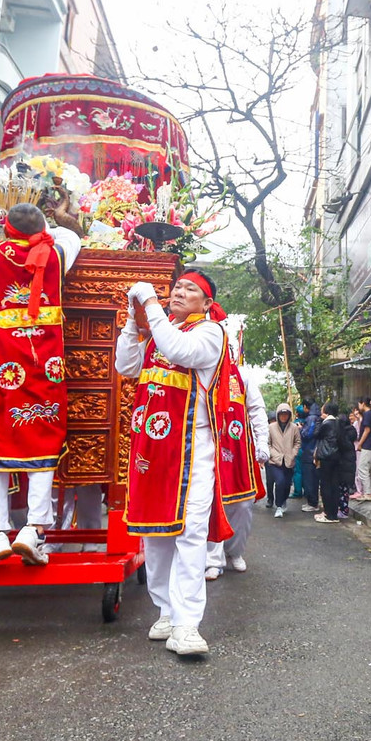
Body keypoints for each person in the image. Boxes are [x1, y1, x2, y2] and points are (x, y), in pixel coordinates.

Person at [0, 201, 81, 570]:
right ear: (44, 229)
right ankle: (33, 531)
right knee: (44, 438)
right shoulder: (58, 252)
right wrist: (62, 213)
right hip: (46, 366)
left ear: (5, 229)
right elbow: (73, 233)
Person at [117, 268, 235, 656]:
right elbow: (126, 367)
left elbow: (180, 352)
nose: (179, 292)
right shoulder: (160, 329)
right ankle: (166, 611)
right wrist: (133, 325)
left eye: (190, 289)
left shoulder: (210, 332)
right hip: (150, 448)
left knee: (189, 532)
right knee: (154, 534)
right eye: (176, 287)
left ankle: (187, 625)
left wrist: (150, 304)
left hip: (191, 450)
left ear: (206, 301)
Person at [207, 361, 268, 580]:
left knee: (243, 505)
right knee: (211, 502)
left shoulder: (241, 374)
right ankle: (212, 559)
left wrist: (263, 442)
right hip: (208, 446)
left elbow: (257, 409)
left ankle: (235, 552)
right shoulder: (199, 367)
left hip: (238, 447)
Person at [312, 402, 346, 523]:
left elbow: (315, 434)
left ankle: (329, 514)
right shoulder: (338, 422)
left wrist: (318, 421)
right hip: (337, 457)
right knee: (334, 485)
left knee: (326, 485)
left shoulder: (326, 423)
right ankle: (333, 513)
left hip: (326, 457)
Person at [266, 403, 299, 517]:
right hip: (275, 461)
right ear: (278, 415)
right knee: (279, 482)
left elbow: (297, 442)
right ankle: (278, 506)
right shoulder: (271, 427)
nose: (284, 417)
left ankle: (283, 500)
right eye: (281, 414)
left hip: (289, 461)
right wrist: (273, 454)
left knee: (286, 484)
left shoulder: (294, 427)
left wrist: (293, 453)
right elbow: (268, 443)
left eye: (286, 414)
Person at [299, 402, 321, 513]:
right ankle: (312, 502)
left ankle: (313, 503)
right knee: (313, 479)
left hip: (309, 452)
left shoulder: (311, 418)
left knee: (310, 479)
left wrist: (300, 429)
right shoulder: (317, 416)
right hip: (315, 451)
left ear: (305, 407)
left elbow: (307, 434)